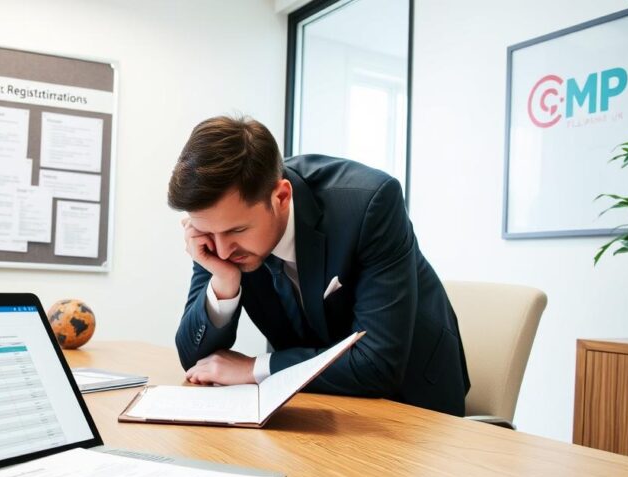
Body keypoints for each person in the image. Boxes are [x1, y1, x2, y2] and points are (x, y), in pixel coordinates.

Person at [169, 115, 469, 416]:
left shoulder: (370, 205)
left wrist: (255, 368)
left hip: (413, 403)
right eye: (210, 233)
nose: (222, 249)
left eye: (236, 231)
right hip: (312, 405)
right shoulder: (219, 237)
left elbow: (378, 363)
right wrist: (223, 282)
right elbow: (197, 360)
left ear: (281, 197)